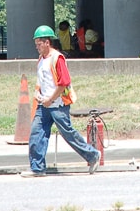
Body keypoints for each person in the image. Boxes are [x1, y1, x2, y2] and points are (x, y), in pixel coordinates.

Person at [23, 25, 100, 177]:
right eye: (36, 44)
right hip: (44, 104)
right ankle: (37, 168)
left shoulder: (57, 59)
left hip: (58, 105)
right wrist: (38, 93)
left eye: (39, 44)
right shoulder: (41, 60)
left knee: (68, 134)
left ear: (47, 42)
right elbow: (42, 81)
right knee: (36, 134)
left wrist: (50, 99)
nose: (37, 47)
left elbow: (63, 82)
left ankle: (92, 155)